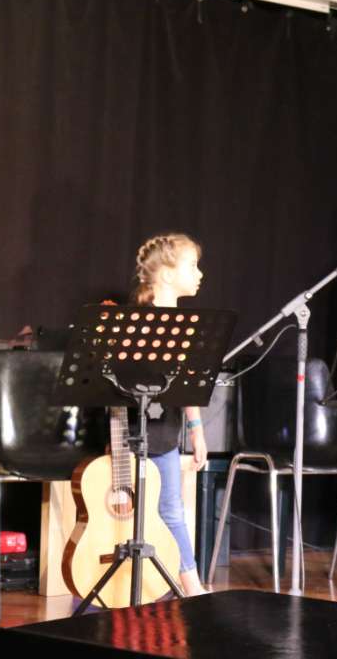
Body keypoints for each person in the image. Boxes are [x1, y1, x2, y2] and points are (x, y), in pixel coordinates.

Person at [130, 233, 210, 595]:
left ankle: (190, 583)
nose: (200, 274)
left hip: (165, 434)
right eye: (192, 266)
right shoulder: (138, 323)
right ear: (165, 274)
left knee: (172, 510)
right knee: (132, 514)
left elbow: (189, 386)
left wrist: (197, 431)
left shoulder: (185, 325)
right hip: (134, 432)